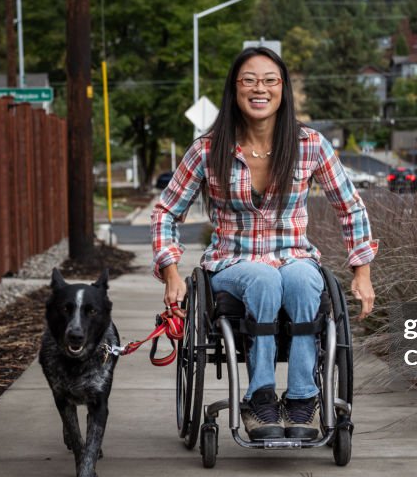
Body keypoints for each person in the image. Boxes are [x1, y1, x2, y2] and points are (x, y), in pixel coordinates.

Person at [151, 46, 377, 441]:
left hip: (294, 257)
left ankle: (304, 400)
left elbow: (351, 207)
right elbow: (166, 212)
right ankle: (260, 397)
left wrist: (362, 271)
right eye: (249, 80)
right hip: (230, 263)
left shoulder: (310, 145)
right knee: (262, 279)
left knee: (306, 280)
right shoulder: (208, 149)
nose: (261, 88)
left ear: (283, 89)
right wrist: (171, 272)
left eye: (270, 80)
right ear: (235, 89)